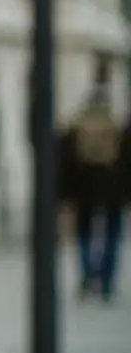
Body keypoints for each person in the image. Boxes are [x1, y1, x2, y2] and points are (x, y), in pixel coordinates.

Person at [61, 88, 124, 302]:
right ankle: (106, 281)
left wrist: (65, 197)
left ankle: (88, 275)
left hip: (83, 191)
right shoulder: (117, 129)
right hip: (114, 192)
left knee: (84, 235)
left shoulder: (76, 131)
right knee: (113, 235)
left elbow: (66, 166)